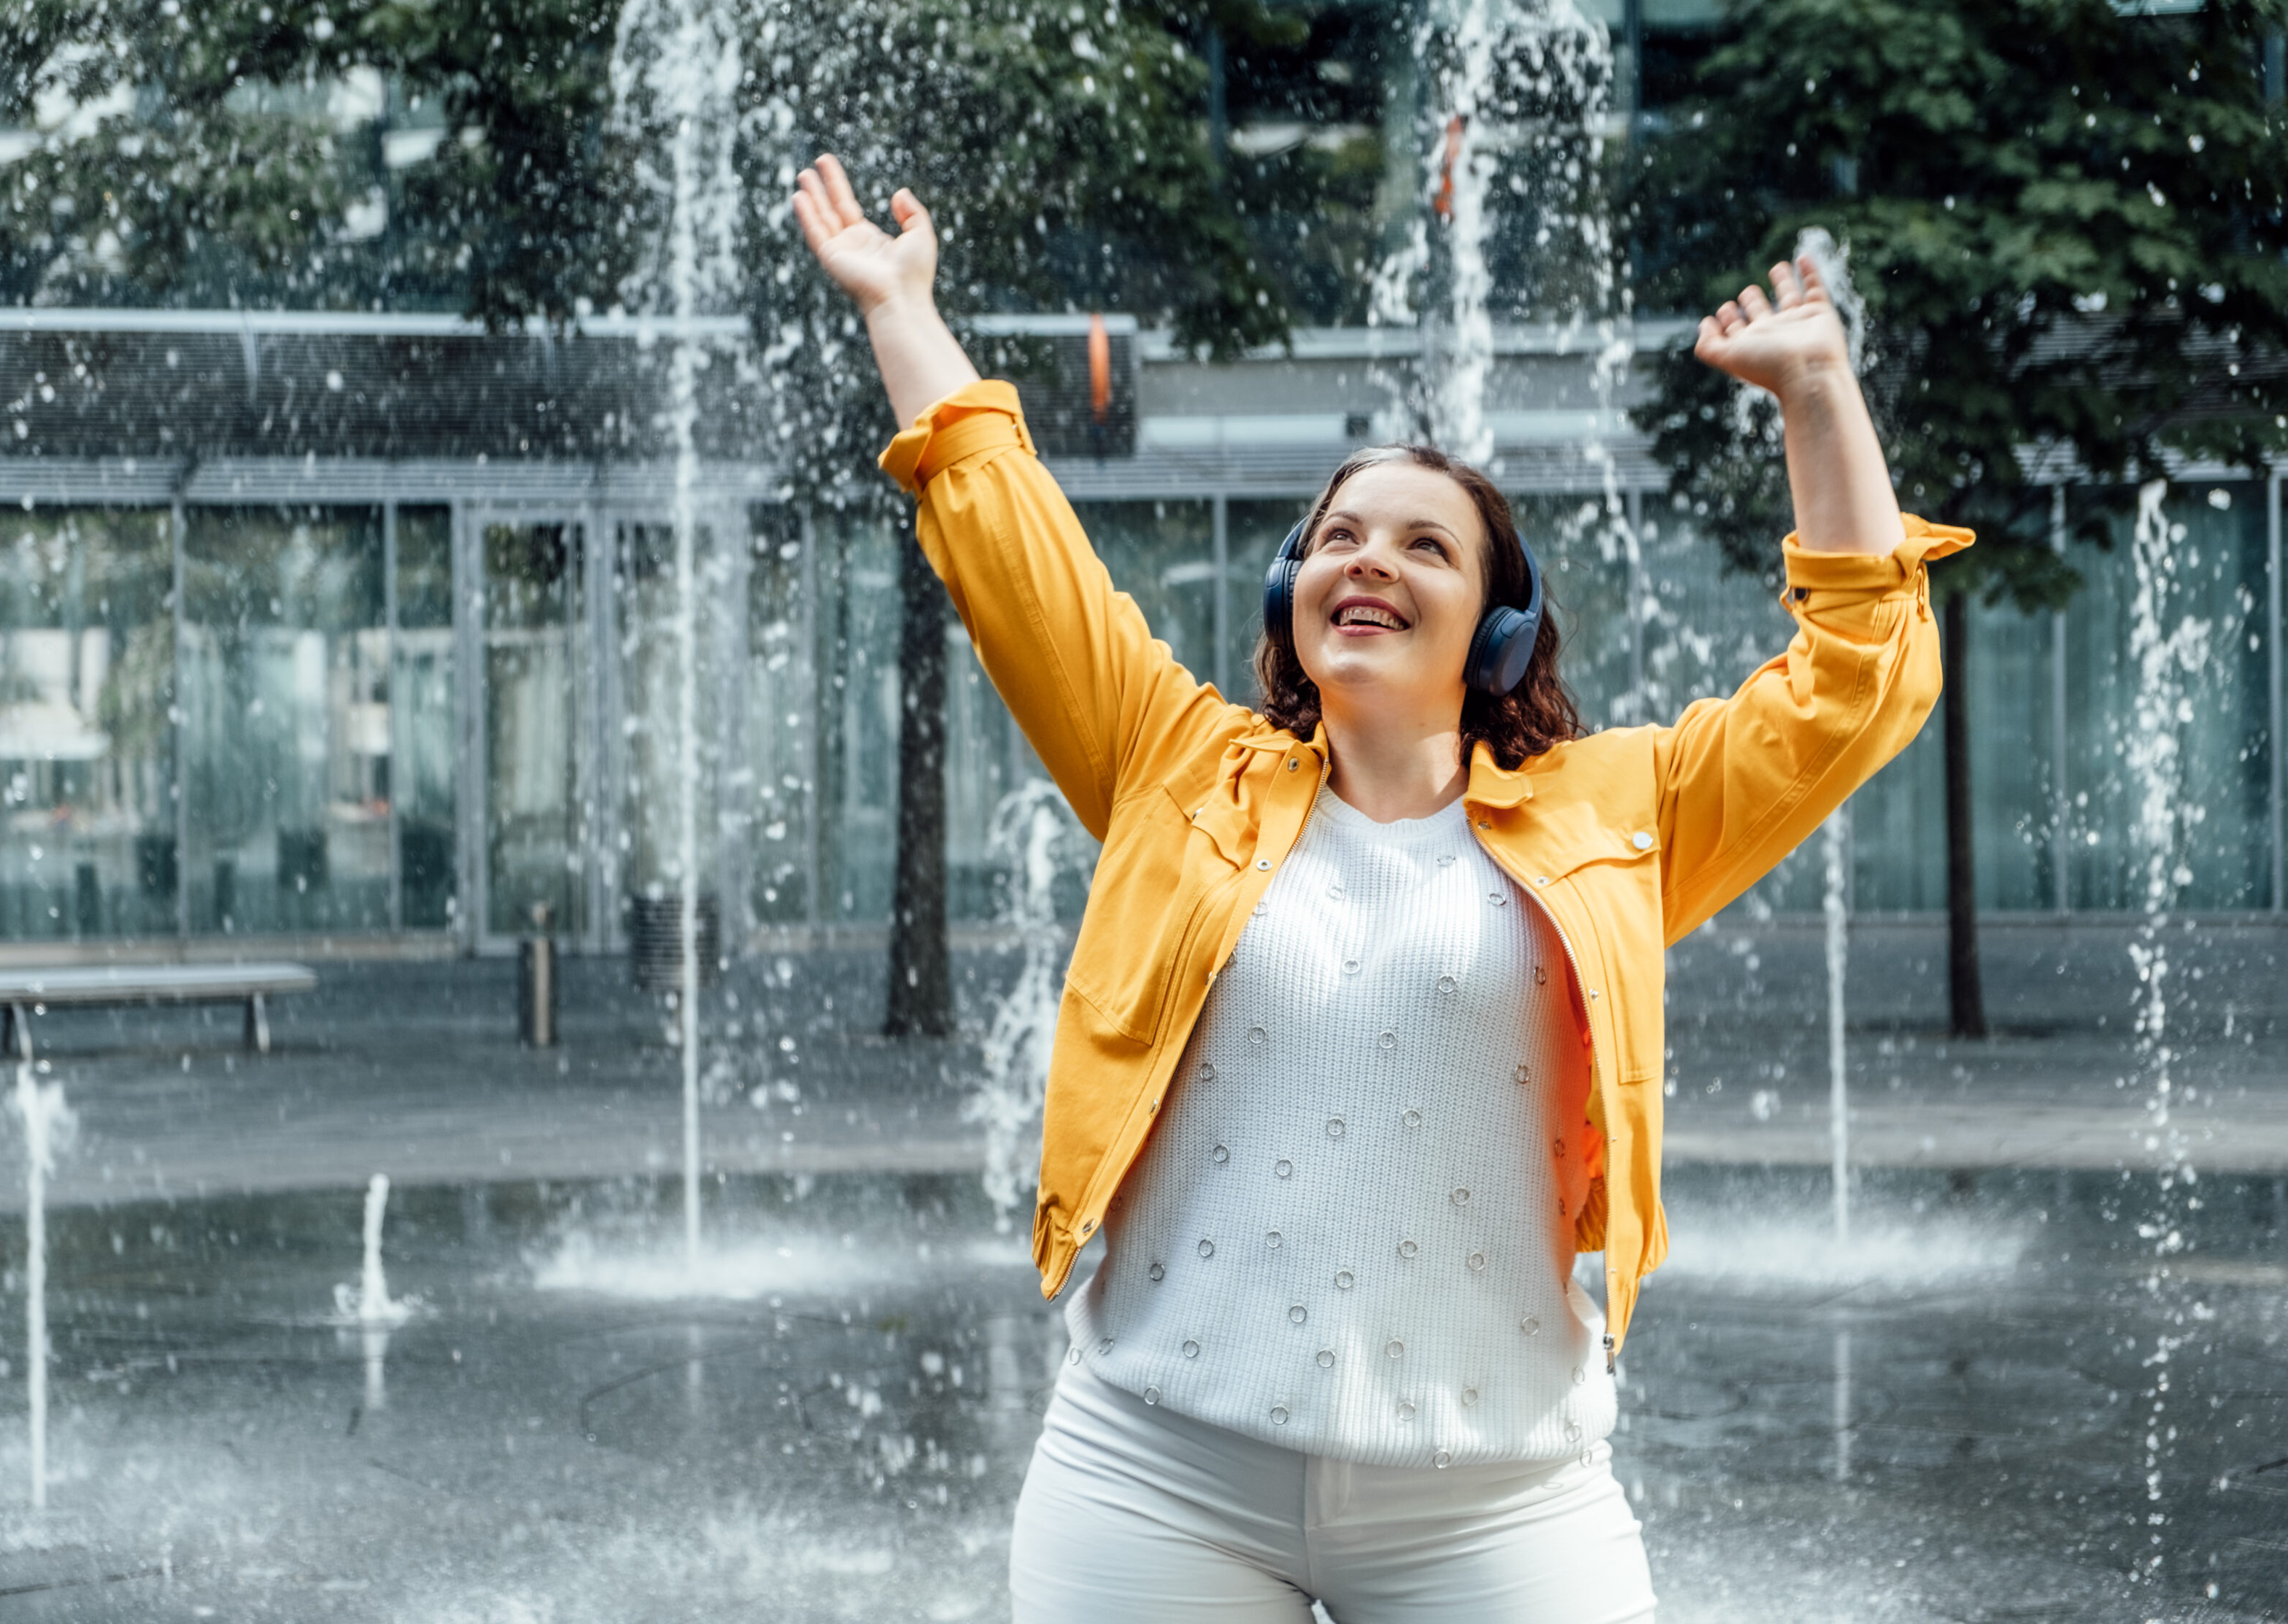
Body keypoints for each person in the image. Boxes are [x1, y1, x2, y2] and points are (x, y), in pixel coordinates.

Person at [793, 153, 1968, 1623]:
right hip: (1155, 1475)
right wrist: (904, 309)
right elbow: (1015, 551)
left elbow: (1858, 687)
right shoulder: (1177, 767)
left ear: (1497, 625)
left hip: (1500, 1500)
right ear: (1295, 591)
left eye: (1427, 543)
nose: (1369, 558)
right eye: (1339, 534)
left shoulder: (1621, 810)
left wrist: (1814, 394)